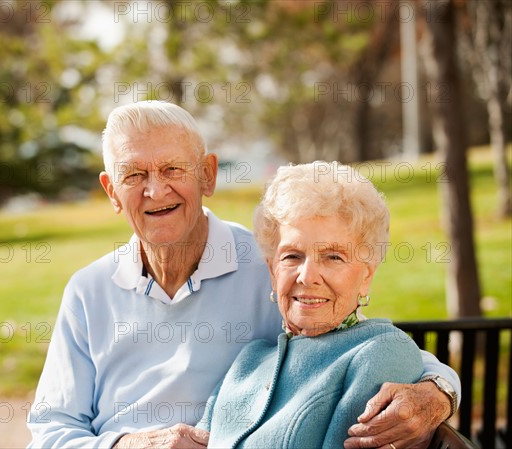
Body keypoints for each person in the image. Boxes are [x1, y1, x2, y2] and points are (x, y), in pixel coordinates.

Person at [27, 101, 461, 449]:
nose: (155, 190)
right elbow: (49, 431)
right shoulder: (88, 291)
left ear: (208, 175)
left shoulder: (275, 265)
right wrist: (129, 444)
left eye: (173, 169)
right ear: (111, 192)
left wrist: (438, 392)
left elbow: (359, 344)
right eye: (134, 174)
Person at [198, 161, 437, 449]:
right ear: (273, 272)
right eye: (292, 256)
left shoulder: (381, 354)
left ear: (366, 276)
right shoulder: (249, 361)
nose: (307, 276)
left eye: (333, 257)